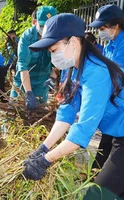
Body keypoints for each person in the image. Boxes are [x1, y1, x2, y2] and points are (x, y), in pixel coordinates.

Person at [22, 13, 124, 199]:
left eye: (54, 50)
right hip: (119, 133)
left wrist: (45, 161)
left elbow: (82, 131)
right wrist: (43, 148)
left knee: (97, 195)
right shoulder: (74, 69)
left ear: (74, 43)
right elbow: (66, 113)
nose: (52, 56)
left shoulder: (97, 73)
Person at [88, 4, 124, 170]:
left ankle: (100, 175)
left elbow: (115, 75)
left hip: (120, 106)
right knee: (107, 137)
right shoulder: (110, 45)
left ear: (115, 26)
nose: (100, 31)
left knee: (114, 142)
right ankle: (95, 171)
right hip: (115, 104)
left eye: (103, 27)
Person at [10, 6, 58, 110]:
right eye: (42, 26)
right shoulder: (27, 37)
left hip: (42, 83)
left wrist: (52, 77)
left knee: (38, 115)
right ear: (34, 22)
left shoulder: (57, 37)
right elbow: (23, 65)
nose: (45, 30)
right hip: (23, 83)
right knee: (14, 113)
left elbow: (59, 62)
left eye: (49, 27)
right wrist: (28, 92)